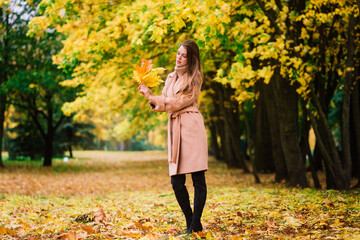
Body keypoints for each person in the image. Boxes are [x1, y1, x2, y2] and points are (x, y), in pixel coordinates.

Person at [138, 40, 208, 234]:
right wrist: (150, 96)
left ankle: (195, 225)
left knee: (198, 179)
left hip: (191, 128)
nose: (179, 57)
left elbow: (177, 102)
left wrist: (154, 99)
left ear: (191, 59)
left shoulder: (195, 78)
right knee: (176, 182)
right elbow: (163, 104)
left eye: (184, 55)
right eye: (178, 53)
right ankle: (191, 221)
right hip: (176, 130)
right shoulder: (170, 77)